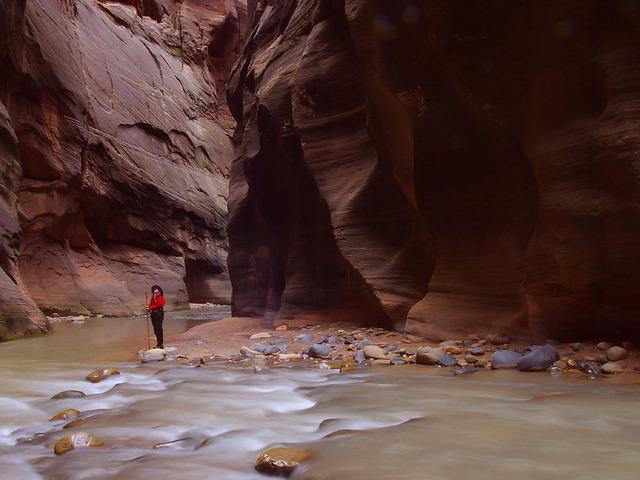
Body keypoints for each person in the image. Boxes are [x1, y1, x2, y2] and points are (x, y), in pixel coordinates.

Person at [147, 285, 165, 349]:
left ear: (160, 291)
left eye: (157, 292)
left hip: (159, 314)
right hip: (153, 314)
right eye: (155, 292)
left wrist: (151, 307)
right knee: (155, 329)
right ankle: (158, 344)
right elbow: (151, 304)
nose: (156, 293)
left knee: (159, 329)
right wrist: (149, 308)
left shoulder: (161, 297)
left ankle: (161, 344)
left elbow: (160, 304)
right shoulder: (153, 298)